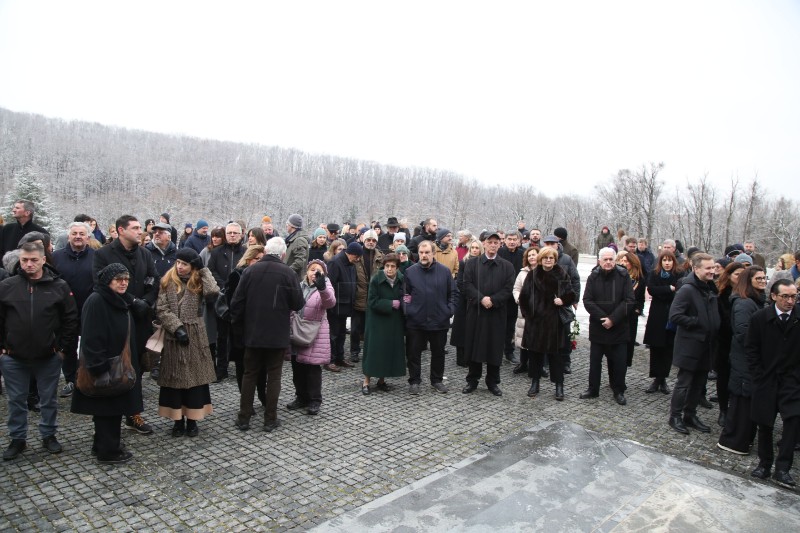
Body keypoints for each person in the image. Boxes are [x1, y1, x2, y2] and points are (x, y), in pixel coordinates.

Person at [0, 242, 78, 460]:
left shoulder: (59, 286)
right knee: (16, 399)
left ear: (43, 260)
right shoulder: (7, 285)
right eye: (24, 260)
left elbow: (70, 318)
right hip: (13, 357)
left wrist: (61, 348)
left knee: (48, 399)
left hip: (48, 356)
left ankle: (49, 435)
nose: (28, 264)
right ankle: (17, 439)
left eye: (34, 260)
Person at [93, 215, 159, 435]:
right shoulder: (103, 254)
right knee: (114, 367)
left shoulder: (145, 254)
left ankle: (133, 414)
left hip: (139, 320)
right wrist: (132, 301)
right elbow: (101, 284)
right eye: (135, 228)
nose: (140, 231)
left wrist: (146, 303)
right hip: (114, 318)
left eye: (141, 228)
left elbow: (154, 281)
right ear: (121, 230)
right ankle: (110, 416)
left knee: (135, 369)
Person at [230, 237, 304, 432]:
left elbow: (236, 304)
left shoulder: (249, 271)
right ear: (282, 254)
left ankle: (244, 417)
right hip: (277, 334)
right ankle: (270, 419)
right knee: (274, 376)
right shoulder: (288, 273)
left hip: (253, 333)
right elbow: (298, 303)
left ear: (266, 250)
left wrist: (239, 331)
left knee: (249, 374)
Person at [70, 263, 141, 464]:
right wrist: (99, 368)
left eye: (126, 279)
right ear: (107, 281)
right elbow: (91, 338)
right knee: (107, 410)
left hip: (115, 364)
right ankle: (108, 451)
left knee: (111, 409)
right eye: (119, 279)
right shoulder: (97, 301)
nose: (124, 283)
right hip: (105, 366)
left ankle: (102, 444)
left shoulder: (114, 299)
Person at [156, 248, 218, 437]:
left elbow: (213, 293)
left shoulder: (198, 280)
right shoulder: (167, 280)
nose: (180, 267)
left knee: (195, 380)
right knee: (174, 378)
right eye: (178, 263)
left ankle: (192, 420)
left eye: (185, 264)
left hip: (195, 335)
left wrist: (204, 270)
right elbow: (161, 308)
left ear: (192, 266)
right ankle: (177, 421)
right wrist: (176, 327)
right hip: (174, 336)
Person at [746, 279, 800, 488]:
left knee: (792, 423)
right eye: (785, 296)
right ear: (774, 296)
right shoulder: (760, 318)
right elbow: (751, 349)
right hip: (766, 379)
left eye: (793, 296)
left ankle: (783, 468)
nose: (790, 301)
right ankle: (765, 463)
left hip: (792, 382)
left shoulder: (797, 317)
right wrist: (758, 375)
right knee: (765, 424)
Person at [667, 253, 721, 435]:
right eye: (708, 268)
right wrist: (697, 321)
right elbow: (675, 315)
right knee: (684, 383)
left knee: (699, 383)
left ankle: (690, 414)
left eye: (713, 268)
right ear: (696, 268)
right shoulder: (687, 289)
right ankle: (675, 416)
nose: (712, 271)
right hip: (690, 345)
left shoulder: (709, 287)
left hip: (707, 345)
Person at [717, 266, 766, 455]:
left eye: (764, 278)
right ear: (748, 281)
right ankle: (734, 440)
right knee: (742, 402)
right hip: (744, 360)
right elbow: (743, 332)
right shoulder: (744, 303)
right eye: (758, 279)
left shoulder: (755, 300)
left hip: (750, 359)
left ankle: (743, 439)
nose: (763, 281)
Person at [518, 247, 576, 401]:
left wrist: (563, 300)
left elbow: (571, 294)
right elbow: (524, 296)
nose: (548, 260)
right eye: (545, 258)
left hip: (554, 323)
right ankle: (535, 383)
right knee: (535, 355)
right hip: (535, 322)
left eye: (551, 258)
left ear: (555, 259)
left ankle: (559, 385)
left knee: (556, 357)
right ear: (540, 259)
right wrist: (528, 315)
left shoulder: (561, 273)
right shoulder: (533, 274)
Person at [462, 232, 516, 396]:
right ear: (484, 244)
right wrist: (481, 299)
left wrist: (493, 300)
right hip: (476, 311)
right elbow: (466, 285)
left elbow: (509, 288)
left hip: (497, 313)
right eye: (490, 242)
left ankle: (492, 382)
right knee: (474, 346)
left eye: (496, 242)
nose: (493, 245)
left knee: (495, 347)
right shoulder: (472, 263)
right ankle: (472, 380)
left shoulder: (507, 266)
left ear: (500, 245)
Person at [580, 247, 635, 405]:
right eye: (605, 259)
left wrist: (613, 319)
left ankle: (618, 390)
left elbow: (629, 300)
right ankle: (593, 389)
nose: (609, 262)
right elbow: (588, 300)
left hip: (619, 327)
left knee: (618, 362)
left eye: (611, 259)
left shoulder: (623, 275)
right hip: (598, 327)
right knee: (595, 361)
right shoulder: (593, 276)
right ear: (599, 261)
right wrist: (603, 318)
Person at [403, 242, 458, 394]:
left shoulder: (445, 271)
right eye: (421, 252)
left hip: (439, 321)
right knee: (413, 354)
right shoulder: (410, 271)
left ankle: (437, 380)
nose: (424, 255)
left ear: (434, 253)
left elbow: (453, 293)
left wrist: (449, 310)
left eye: (427, 252)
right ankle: (414, 381)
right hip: (416, 321)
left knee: (438, 353)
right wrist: (409, 310)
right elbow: (405, 295)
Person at [51, 222, 96, 398]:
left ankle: (87, 378)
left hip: (89, 308)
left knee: (89, 344)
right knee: (67, 344)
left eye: (82, 234)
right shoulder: (56, 257)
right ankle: (70, 379)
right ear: (68, 236)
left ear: (88, 237)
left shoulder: (97, 256)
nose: (78, 236)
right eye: (74, 233)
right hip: (64, 311)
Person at [286, 260, 335, 414]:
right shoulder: (300, 285)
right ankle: (301, 397)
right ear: (307, 272)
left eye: (318, 270)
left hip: (315, 333)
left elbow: (330, 302)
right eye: (312, 269)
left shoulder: (325, 285)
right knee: (297, 366)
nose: (314, 272)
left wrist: (322, 289)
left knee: (313, 369)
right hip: (297, 329)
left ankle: (314, 400)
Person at [223, 245, 266, 402]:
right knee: (243, 366)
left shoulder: (263, 275)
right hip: (241, 328)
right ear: (249, 259)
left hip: (258, 328)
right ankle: (246, 400)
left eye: (263, 259)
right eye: (258, 259)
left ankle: (263, 395)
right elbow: (232, 304)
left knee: (262, 367)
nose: (261, 262)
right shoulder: (236, 275)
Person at [361, 253, 406, 394]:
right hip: (376, 321)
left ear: (397, 268)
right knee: (373, 350)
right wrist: (390, 303)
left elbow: (406, 295)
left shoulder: (402, 279)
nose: (389, 269)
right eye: (387, 266)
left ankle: (381, 380)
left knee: (387, 350)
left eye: (393, 266)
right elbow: (372, 302)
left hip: (393, 322)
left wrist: (405, 302)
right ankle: (366, 382)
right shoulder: (376, 279)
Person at [207, 223, 246, 381]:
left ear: (241, 235)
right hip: (222, 299)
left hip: (240, 299)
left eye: (235, 233)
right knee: (221, 337)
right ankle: (221, 369)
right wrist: (225, 286)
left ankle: (240, 369)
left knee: (238, 336)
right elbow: (211, 270)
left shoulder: (245, 252)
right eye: (229, 233)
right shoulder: (216, 252)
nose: (232, 235)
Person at [643, 251, 683, 394]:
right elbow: (652, 289)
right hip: (657, 314)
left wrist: (666, 291)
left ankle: (663, 379)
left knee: (667, 348)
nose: (667, 263)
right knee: (655, 347)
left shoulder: (679, 274)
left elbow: (679, 290)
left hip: (671, 313)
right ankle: (655, 379)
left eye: (669, 260)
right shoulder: (655, 274)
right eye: (664, 260)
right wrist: (669, 289)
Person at [713, 261, 746, 425]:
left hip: (741, 344)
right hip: (724, 342)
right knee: (723, 377)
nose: (740, 278)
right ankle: (723, 410)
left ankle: (735, 408)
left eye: (742, 275)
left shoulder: (747, 294)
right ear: (729, 275)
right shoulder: (721, 294)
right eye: (737, 274)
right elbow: (721, 321)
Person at [325, 242, 360, 372]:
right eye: (356, 257)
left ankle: (339, 357)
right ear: (351, 254)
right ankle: (330, 360)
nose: (357, 260)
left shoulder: (350, 263)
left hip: (346, 304)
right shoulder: (335, 262)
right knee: (333, 334)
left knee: (341, 334)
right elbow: (330, 285)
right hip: (336, 305)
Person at [350, 230, 384, 363]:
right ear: (364, 240)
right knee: (355, 329)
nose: (371, 242)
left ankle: (371, 351)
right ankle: (354, 352)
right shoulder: (357, 255)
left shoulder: (381, 257)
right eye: (368, 240)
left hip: (374, 297)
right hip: (359, 295)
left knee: (372, 328)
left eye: (373, 240)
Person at [451, 240, 482, 367]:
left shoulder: (483, 263)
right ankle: (461, 358)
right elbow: (460, 281)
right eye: (472, 247)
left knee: (475, 330)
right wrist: (469, 295)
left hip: (477, 300)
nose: (474, 250)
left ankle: (473, 357)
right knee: (461, 330)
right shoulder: (464, 262)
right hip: (464, 300)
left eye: (477, 248)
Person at [498, 230, 524, 365]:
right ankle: (495, 351)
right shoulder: (499, 252)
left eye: (515, 239)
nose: (512, 242)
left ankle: (509, 351)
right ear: (505, 240)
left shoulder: (522, 254)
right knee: (496, 325)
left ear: (519, 241)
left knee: (510, 327)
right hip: (499, 294)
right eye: (510, 239)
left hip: (514, 297)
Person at [512, 246, 539, 376]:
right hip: (524, 310)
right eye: (529, 255)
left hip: (540, 311)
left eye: (534, 255)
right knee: (523, 337)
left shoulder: (544, 272)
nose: (532, 257)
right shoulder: (522, 272)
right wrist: (518, 298)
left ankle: (538, 366)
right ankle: (523, 363)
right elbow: (516, 288)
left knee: (538, 338)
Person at [616, 251, 646, 368]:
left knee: (629, 342)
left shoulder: (639, 279)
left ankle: (625, 365)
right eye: (622, 261)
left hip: (631, 315)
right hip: (618, 314)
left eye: (626, 261)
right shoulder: (618, 276)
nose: (623, 263)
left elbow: (640, 298)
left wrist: (638, 309)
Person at [284, 214, 310, 281]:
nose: (286, 225)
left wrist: (287, 271)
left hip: (295, 279)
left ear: (292, 226)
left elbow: (300, 261)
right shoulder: (293, 239)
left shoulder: (299, 240)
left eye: (287, 223)